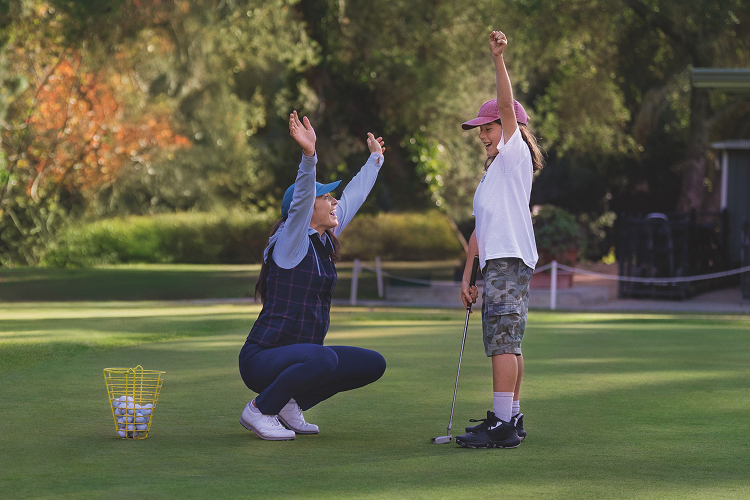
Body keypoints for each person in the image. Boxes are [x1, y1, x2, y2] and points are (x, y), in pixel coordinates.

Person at [238, 111, 387, 441]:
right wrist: (309, 156)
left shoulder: (323, 238)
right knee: (323, 358)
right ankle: (260, 410)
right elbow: (304, 195)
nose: (333, 201)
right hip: (261, 359)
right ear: (305, 210)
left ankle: (289, 403)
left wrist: (374, 161)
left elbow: (352, 197)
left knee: (372, 363)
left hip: (300, 359)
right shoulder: (289, 243)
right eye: (326, 197)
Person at [454, 30, 545, 449]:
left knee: (502, 342)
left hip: (510, 259)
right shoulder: (492, 174)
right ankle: (510, 416)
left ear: (508, 129)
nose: (482, 136)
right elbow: (479, 229)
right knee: (508, 341)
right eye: (480, 130)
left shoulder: (514, 154)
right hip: (498, 261)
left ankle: (503, 427)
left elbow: (507, 105)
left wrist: (498, 59)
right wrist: (468, 274)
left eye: (487, 127)